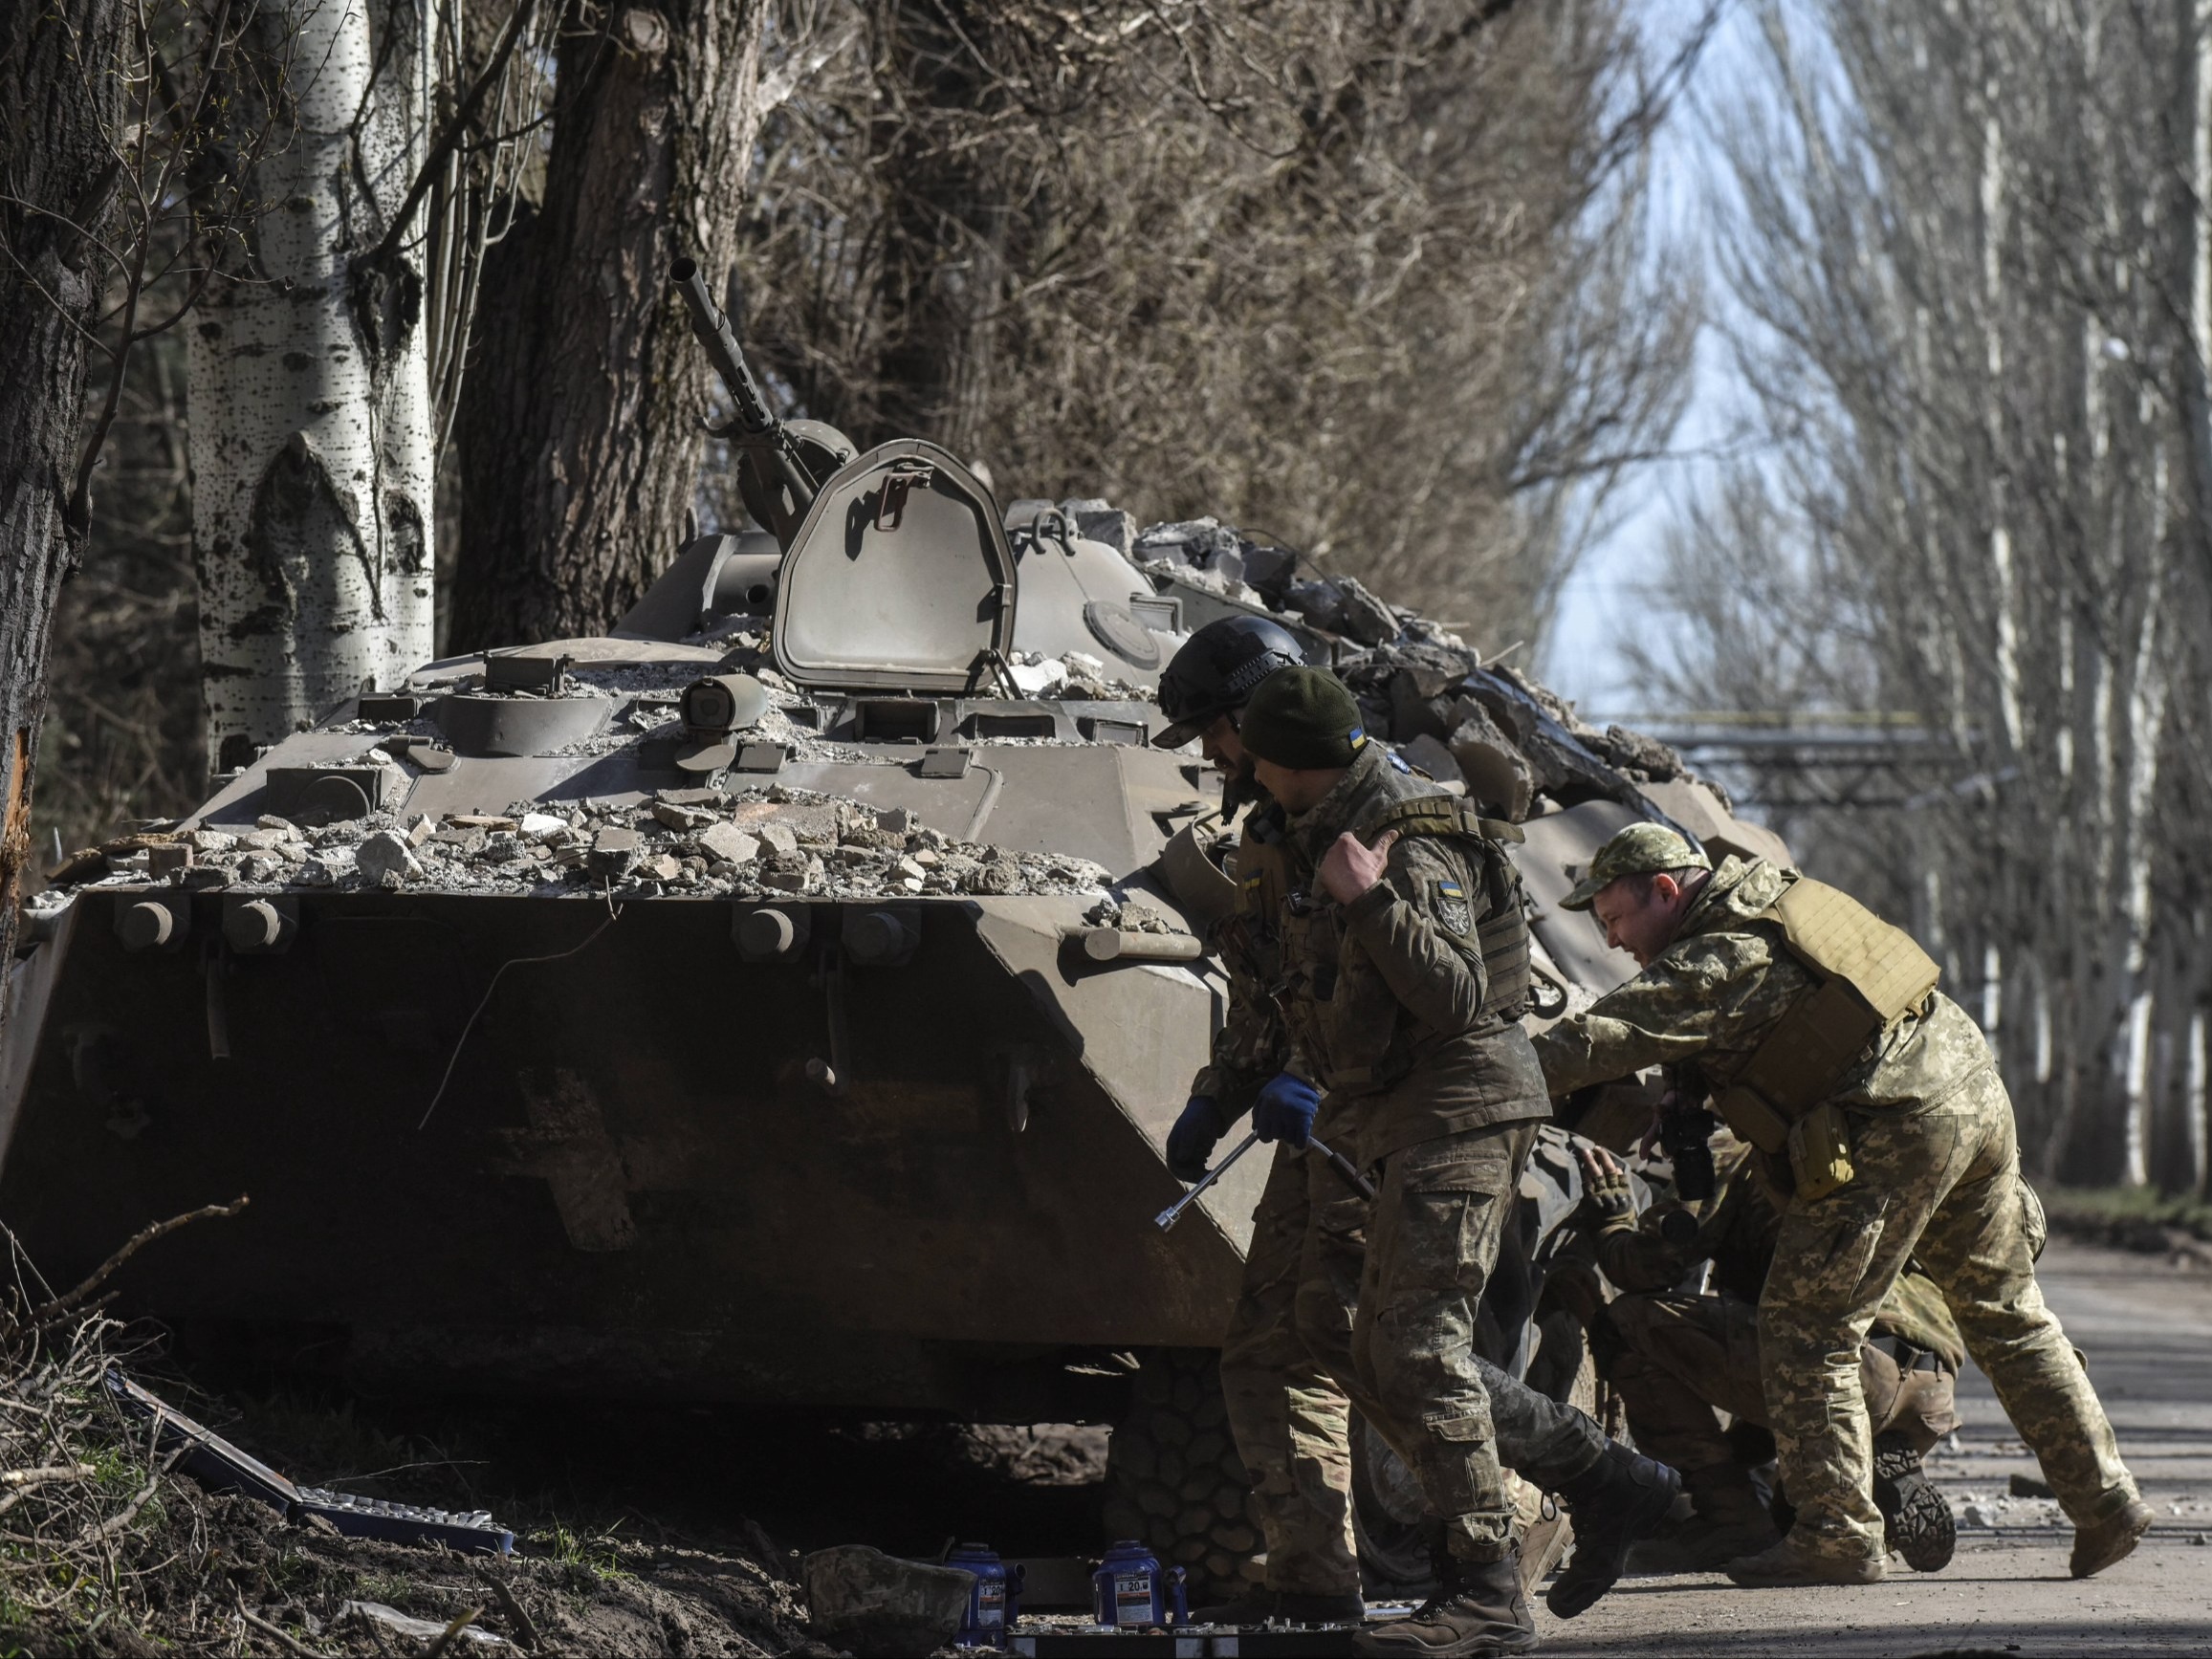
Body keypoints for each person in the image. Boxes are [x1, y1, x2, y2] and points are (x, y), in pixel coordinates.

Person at [1151, 626, 1678, 1639]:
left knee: (1410, 1348)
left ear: (1264, 730)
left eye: (1222, 735)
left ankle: (1504, 1561)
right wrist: (1221, 1094)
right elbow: (1277, 984)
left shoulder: (1400, 822)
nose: (1216, 757)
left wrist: (1371, 893)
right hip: (1355, 1110)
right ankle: (1312, 1575)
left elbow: (1450, 991)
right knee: (1292, 1337)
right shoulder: (1278, 824)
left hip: (1447, 1106)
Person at [1529, 822, 2150, 1587]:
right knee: (2007, 1309)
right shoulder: (1781, 907)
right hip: (1968, 1090)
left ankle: (1836, 1533)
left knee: (1804, 1329)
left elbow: (1597, 1037)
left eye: (1615, 918)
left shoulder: (1716, 953)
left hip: (1893, 1121)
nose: (1613, 940)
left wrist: (1477, 1073)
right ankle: (2106, 1500)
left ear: (1665, 890)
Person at [1554, 1138, 1964, 1572]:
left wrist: (1614, 1219)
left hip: (1841, 1372)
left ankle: (1730, 1521)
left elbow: (1647, 1266)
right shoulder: (1849, 1141)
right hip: (1929, 1384)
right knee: (1787, 1519)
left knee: (1626, 1326)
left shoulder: (1734, 1144)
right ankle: (1868, 1457)